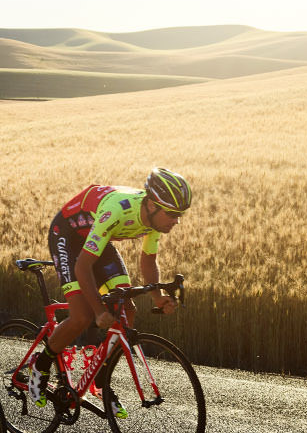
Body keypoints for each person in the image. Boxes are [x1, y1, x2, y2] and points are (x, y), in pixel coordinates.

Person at [29, 167, 192, 405]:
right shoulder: (118, 211)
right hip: (66, 234)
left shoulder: (157, 221)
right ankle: (40, 365)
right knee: (82, 316)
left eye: (180, 215)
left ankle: (102, 381)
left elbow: (148, 260)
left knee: (127, 310)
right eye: (172, 213)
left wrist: (157, 296)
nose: (176, 221)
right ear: (152, 205)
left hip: (97, 236)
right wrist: (98, 311)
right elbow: (82, 268)